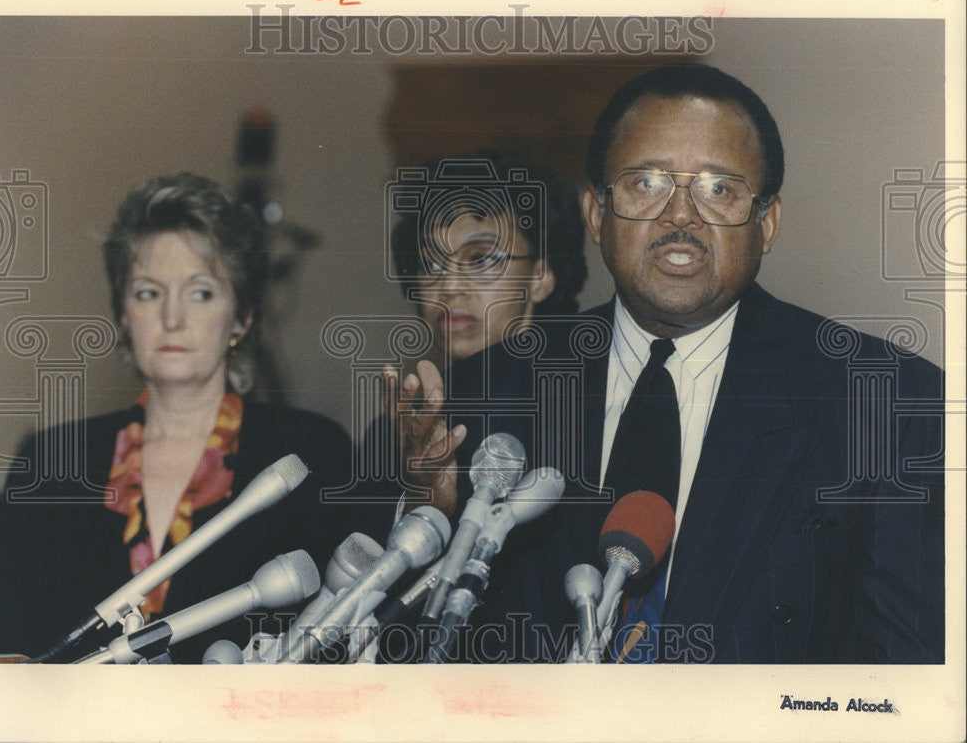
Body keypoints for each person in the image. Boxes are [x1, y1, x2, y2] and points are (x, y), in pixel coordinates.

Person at [384, 64, 944, 663]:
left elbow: (902, 683)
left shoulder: (883, 404)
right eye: (645, 183)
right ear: (597, 216)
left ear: (767, 223)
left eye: (719, 189)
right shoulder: (491, 388)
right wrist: (431, 507)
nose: (681, 216)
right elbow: (412, 661)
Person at [0, 173, 355, 664]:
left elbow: (334, 643)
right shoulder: (48, 461)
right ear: (122, 312)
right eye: (148, 293)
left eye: (200, 292)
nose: (172, 319)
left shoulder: (310, 452)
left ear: (243, 315)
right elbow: (6, 643)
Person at [388, 151, 587, 367]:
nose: (450, 287)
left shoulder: (579, 395)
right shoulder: (426, 399)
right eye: (431, 264)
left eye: (480, 260)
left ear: (540, 279)